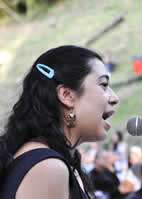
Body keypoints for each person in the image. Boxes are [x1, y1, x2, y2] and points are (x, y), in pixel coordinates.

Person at [0, 45, 119, 199]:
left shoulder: (57, 162)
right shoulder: (47, 167)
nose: (115, 98)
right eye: (103, 85)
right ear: (66, 95)